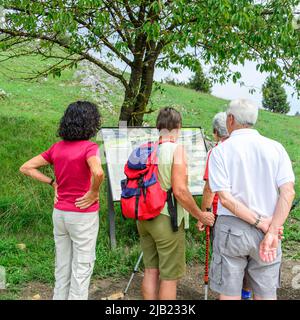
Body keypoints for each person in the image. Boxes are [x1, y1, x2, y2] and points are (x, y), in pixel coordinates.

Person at [208, 99, 295, 300]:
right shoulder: (276, 148)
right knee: (266, 294)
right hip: (268, 232)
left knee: (229, 294)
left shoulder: (220, 151)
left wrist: (259, 222)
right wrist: (271, 228)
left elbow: (226, 199)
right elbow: (288, 192)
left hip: (232, 228)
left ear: (230, 119)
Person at [20, 101, 104, 300]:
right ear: (91, 123)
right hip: (83, 215)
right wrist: (93, 192)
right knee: (82, 268)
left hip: (60, 214)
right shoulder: (89, 148)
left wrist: (52, 183)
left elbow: (26, 167)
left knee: (62, 266)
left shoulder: (57, 148)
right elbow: (98, 172)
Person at [137, 107, 215, 300]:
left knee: (150, 270)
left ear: (158, 127)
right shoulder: (176, 150)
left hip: (144, 217)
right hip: (166, 219)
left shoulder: (146, 148)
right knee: (169, 277)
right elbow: (180, 190)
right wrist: (200, 214)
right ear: (178, 127)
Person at [198, 112, 252, 299]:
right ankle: (245, 292)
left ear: (215, 133)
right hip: (250, 211)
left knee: (227, 258)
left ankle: (230, 293)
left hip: (222, 213)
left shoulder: (217, 151)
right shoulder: (249, 148)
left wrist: (204, 214)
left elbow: (209, 188)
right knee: (248, 257)